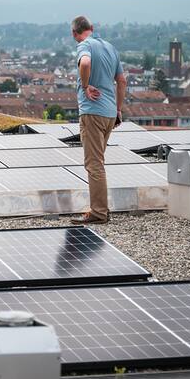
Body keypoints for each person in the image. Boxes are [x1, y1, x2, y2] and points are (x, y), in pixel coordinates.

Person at [69, 15, 126, 225]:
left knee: (94, 164)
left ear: (74, 33)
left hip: (92, 111)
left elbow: (85, 63)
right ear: (91, 27)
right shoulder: (110, 48)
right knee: (98, 162)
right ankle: (100, 209)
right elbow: (122, 81)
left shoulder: (84, 46)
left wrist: (85, 86)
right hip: (110, 113)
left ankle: (99, 212)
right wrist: (118, 109)